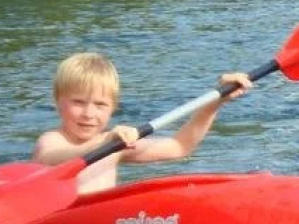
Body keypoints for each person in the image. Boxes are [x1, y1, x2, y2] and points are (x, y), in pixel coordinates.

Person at [32, 52, 252, 194]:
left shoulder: (114, 145)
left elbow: (179, 146)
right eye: (78, 102)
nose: (89, 114)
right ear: (57, 101)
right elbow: (54, 158)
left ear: (113, 107)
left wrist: (215, 102)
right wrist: (104, 144)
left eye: (100, 105)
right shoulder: (52, 141)